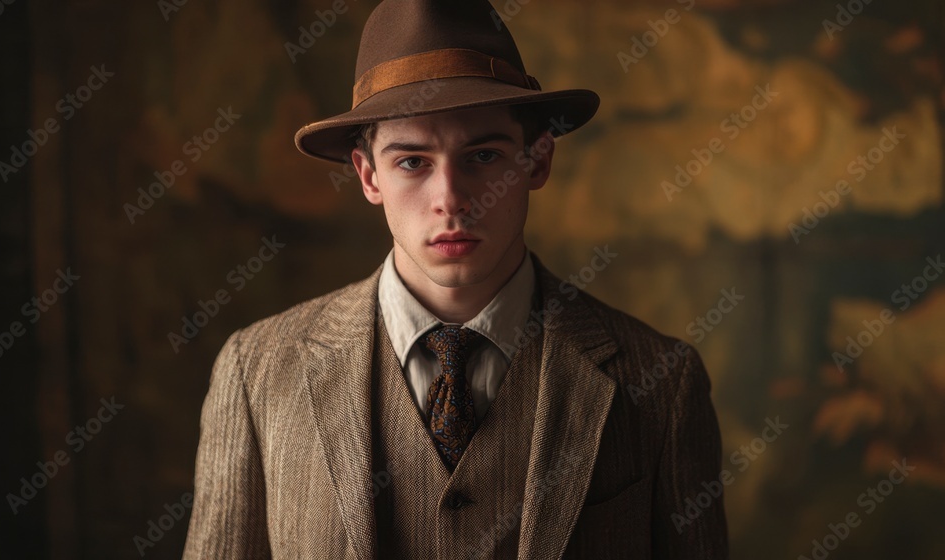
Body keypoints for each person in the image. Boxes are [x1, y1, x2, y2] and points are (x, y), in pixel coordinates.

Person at [183, 1, 728, 558]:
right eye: (412, 162)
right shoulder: (256, 372)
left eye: (484, 155)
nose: (451, 200)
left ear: (537, 161)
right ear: (368, 175)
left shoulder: (662, 383)